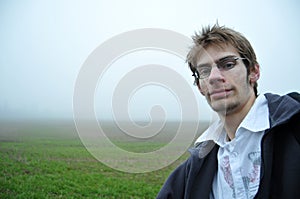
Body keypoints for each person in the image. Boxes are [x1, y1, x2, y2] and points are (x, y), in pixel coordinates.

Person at [156, 24, 300, 199]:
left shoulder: (294, 125)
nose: (214, 77)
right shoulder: (194, 167)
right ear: (201, 87)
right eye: (204, 71)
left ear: (253, 72)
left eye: (228, 64)